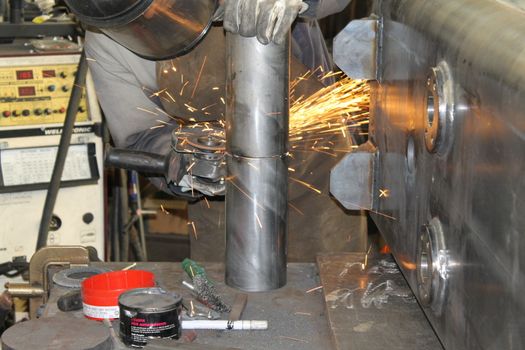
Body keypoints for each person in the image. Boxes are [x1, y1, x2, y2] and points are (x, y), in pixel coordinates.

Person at [84, 0, 367, 261]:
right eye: (137, 21)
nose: (154, 18)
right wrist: (181, 162)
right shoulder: (105, 40)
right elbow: (140, 136)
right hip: (224, 206)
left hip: (322, 191)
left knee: (332, 299)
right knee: (226, 306)